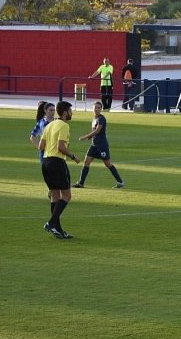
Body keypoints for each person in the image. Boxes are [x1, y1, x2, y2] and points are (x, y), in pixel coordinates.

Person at [38, 101, 81, 240]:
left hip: (45, 162)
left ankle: (57, 229)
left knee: (55, 196)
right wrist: (73, 156)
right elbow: (61, 147)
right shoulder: (64, 125)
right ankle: (51, 223)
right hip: (57, 162)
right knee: (67, 196)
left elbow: (41, 145)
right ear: (64, 112)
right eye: (70, 110)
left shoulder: (50, 125)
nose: (71, 113)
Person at [73, 101, 125, 189]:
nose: (96, 109)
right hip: (94, 145)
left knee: (108, 164)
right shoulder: (94, 119)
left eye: (98, 108)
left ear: (101, 109)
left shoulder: (102, 118)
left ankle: (120, 181)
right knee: (86, 162)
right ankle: (81, 183)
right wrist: (90, 138)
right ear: (92, 108)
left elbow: (97, 131)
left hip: (102, 145)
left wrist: (85, 137)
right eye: (95, 107)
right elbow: (95, 133)